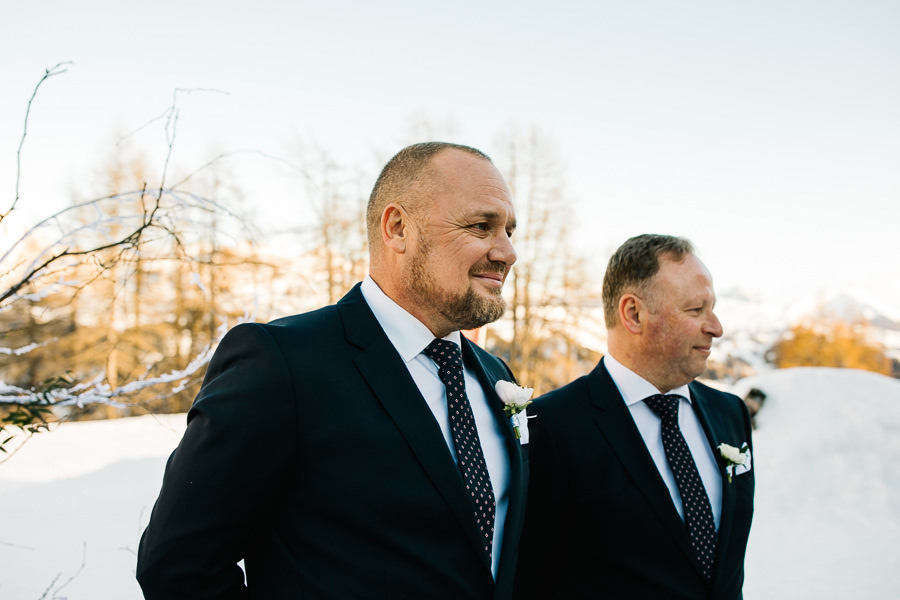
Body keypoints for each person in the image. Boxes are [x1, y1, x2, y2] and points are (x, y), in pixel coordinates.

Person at [137, 142, 528, 599]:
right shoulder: (281, 363)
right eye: (481, 226)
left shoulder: (495, 373)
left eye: (510, 231)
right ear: (398, 228)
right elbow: (180, 566)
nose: (507, 252)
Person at [515, 234, 754, 599]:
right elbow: (532, 577)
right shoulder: (552, 425)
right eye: (696, 310)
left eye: (714, 308)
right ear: (634, 314)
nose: (716, 327)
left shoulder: (730, 413)